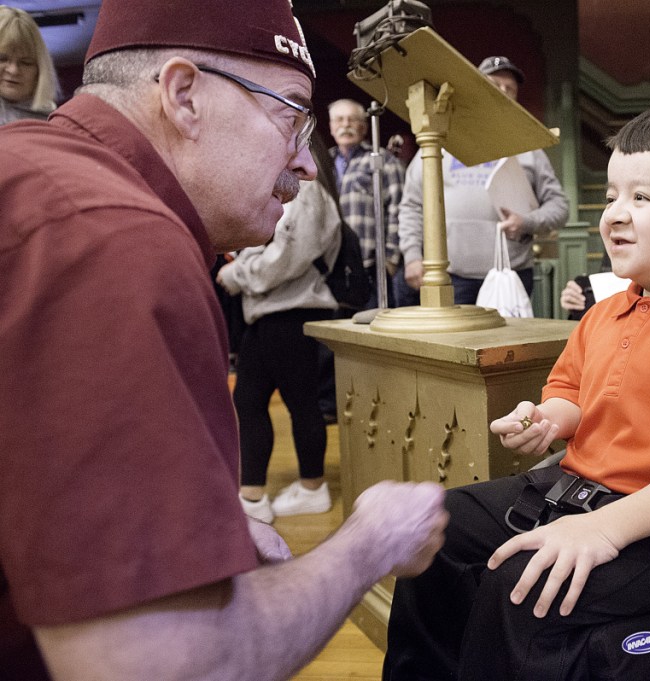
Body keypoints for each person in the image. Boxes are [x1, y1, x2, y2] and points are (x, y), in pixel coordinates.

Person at [0, 1, 446, 679]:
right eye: (291, 115)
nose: (303, 165)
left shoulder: (36, 173)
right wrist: (371, 540)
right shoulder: (111, 237)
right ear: (184, 96)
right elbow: (168, 665)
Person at [383, 105, 650, 681]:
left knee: (524, 585)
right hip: (579, 490)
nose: (614, 216)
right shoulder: (606, 313)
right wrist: (546, 419)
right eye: (611, 196)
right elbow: (574, 398)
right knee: (432, 525)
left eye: (642, 198)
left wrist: (605, 528)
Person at [217, 133, 342, 524]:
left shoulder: (306, 192)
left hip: (289, 312)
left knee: (263, 401)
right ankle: (303, 488)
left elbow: (287, 257)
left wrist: (238, 272)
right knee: (284, 402)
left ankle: (268, 494)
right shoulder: (296, 192)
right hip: (276, 313)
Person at [395, 56, 569, 307]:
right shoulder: (439, 140)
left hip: (511, 276)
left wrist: (527, 222)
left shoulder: (528, 148)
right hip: (448, 278)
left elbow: (560, 207)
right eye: (494, 85)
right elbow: (412, 206)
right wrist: (412, 256)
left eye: (510, 89)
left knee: (508, 347)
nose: (503, 93)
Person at [327, 97, 405, 309]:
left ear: (363, 128)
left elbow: (399, 208)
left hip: (372, 267)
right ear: (331, 127)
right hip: (332, 268)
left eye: (352, 120)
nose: (345, 125)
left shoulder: (382, 159)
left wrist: (390, 259)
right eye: (339, 120)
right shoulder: (324, 163)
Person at [0, 5, 58, 125]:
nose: (13, 70)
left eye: (26, 62)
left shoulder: (54, 123)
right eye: (2, 59)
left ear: (40, 70)